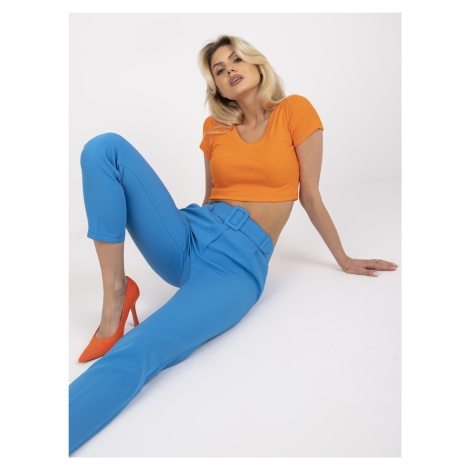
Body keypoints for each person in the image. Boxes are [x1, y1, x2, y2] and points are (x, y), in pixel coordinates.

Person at [69, 34, 398, 455]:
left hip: (235, 268)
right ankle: (116, 293)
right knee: (104, 148)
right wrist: (181, 232)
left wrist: (344, 259)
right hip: (192, 234)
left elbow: (310, 196)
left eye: (236, 59)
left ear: (258, 64)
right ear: (218, 87)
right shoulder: (215, 127)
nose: (229, 70)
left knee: (143, 347)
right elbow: (210, 196)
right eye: (220, 70)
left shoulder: (295, 111)